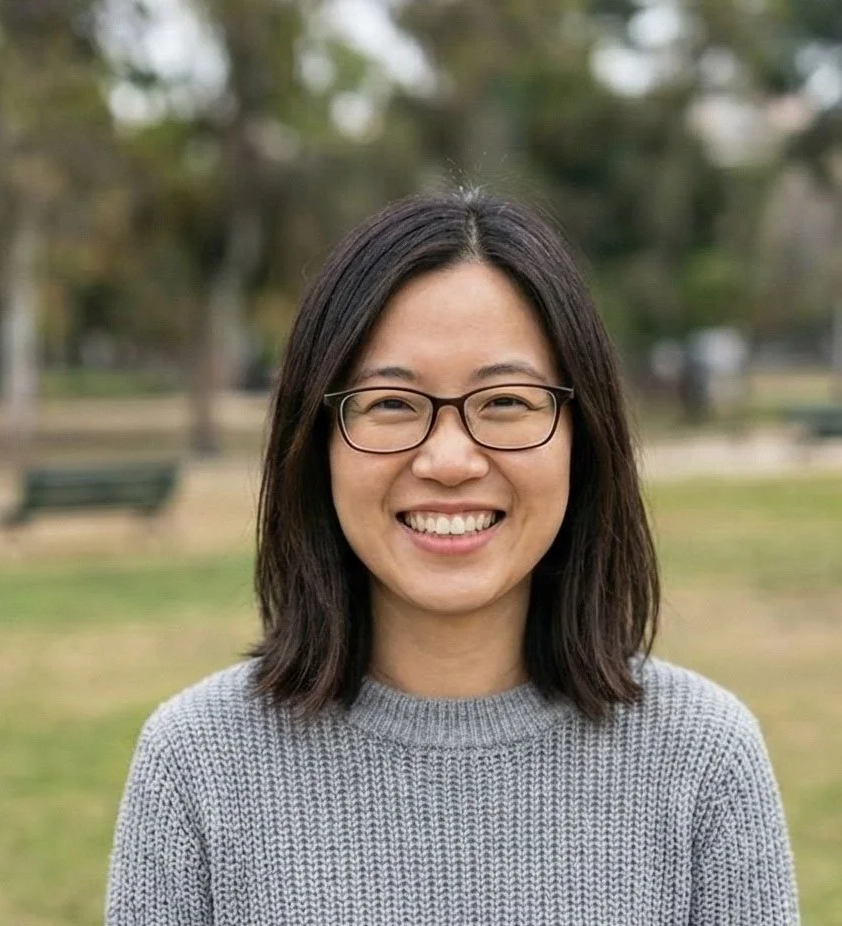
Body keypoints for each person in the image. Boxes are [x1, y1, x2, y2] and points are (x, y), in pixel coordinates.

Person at [105, 190, 800, 925]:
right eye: (391, 405)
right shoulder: (195, 765)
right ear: (317, 447)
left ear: (582, 439)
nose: (448, 458)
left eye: (504, 402)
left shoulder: (702, 760)